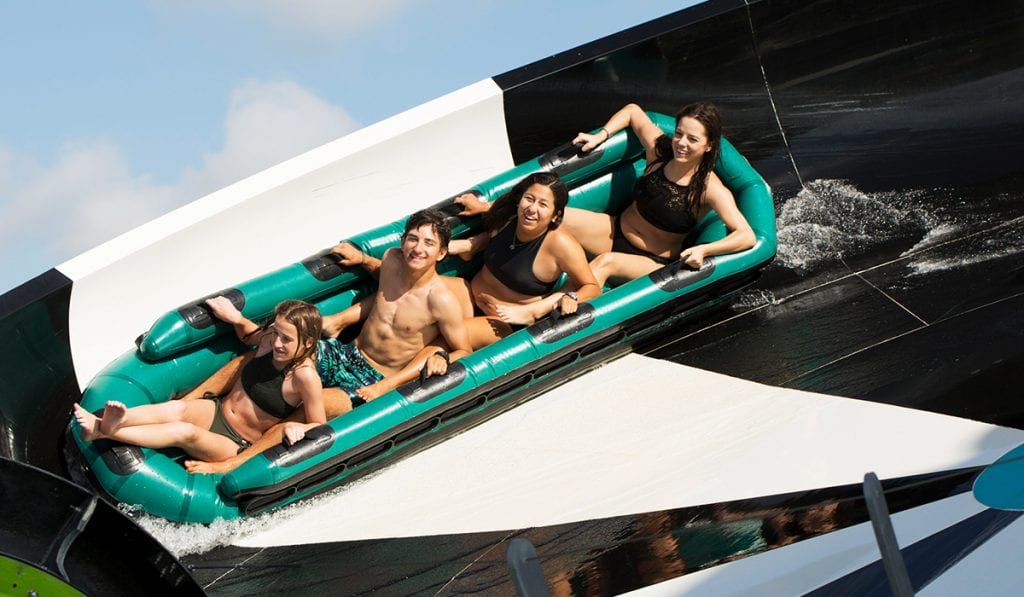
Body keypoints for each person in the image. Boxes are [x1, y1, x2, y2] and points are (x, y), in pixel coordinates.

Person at [185, 209, 473, 474]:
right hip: (344, 351)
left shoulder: (441, 300)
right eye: (412, 239)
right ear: (402, 240)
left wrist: (442, 357)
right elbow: (384, 280)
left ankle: (237, 461)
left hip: (371, 379)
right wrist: (361, 260)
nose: (418, 248)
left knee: (318, 405)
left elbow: (463, 348)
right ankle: (189, 403)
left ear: (441, 252)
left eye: (428, 243)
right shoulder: (392, 259)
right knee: (265, 352)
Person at [458, 102, 756, 287]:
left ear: (707, 146)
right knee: (550, 215)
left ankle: (545, 310)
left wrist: (705, 250)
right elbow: (632, 111)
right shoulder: (660, 151)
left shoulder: (708, 188)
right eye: (679, 133)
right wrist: (600, 135)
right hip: (613, 229)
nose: (681, 143)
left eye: (692, 139)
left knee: (605, 263)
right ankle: (477, 243)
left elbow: (745, 235)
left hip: (651, 258)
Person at [73, 300, 326, 463]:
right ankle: (113, 421)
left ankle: (107, 430)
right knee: (177, 409)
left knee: (185, 432)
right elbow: (250, 335)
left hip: (234, 442)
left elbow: (319, 423)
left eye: (287, 339)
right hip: (216, 410)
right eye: (276, 333)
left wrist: (300, 428)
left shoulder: (305, 377)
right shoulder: (270, 339)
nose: (277, 343)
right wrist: (235, 317)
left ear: (307, 343)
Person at [450, 171, 601, 326]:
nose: (532, 208)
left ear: (556, 215)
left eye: (543, 204)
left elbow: (592, 287)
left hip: (503, 324)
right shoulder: (509, 218)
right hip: (469, 295)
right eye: (529, 199)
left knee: (451, 330)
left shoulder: (561, 245)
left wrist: (572, 297)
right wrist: (482, 208)